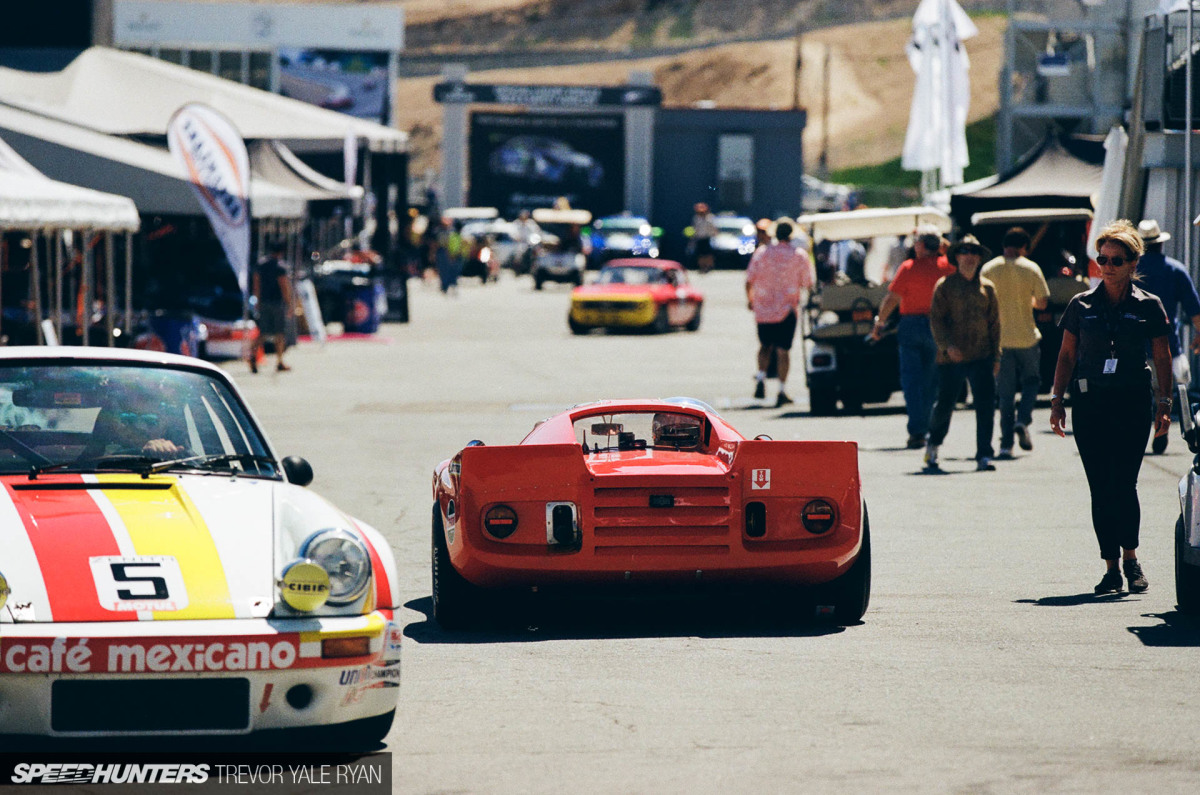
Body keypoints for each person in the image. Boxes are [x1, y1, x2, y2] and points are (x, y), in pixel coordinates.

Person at [1049, 219, 1172, 595]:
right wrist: (1057, 400)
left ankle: (1132, 559)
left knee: (1124, 483)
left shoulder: (1149, 306)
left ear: (1134, 264)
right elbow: (1067, 355)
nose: (1107, 265)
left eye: (1116, 260)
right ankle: (1110, 567)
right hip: (1091, 403)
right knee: (1100, 487)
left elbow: (1162, 357)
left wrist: (1164, 403)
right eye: (1102, 258)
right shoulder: (1081, 304)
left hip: (1132, 401)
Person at [870, 224, 955, 449]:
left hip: (911, 326)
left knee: (911, 380)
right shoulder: (947, 267)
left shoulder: (909, 268)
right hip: (938, 326)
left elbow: (891, 299)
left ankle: (917, 430)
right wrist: (942, 249)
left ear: (921, 246)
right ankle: (925, 427)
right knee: (931, 380)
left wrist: (880, 322)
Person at [924, 235, 1001, 472]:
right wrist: (946, 346)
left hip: (981, 355)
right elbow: (936, 321)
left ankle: (984, 454)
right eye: (964, 252)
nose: (969, 257)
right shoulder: (945, 286)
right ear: (956, 257)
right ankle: (933, 444)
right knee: (946, 403)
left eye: (973, 253)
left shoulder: (987, 287)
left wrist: (997, 356)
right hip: (952, 357)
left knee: (986, 405)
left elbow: (995, 324)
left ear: (979, 258)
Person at [980, 227, 1050, 459]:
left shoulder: (989, 269)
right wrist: (1026, 300)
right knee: (1032, 381)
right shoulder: (1031, 268)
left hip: (999, 340)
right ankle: (1023, 420)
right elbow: (1042, 302)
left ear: (1004, 245)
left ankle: (1006, 444)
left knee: (1005, 394)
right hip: (1027, 337)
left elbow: (982, 304)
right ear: (1024, 247)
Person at [1135, 218, 1200, 453]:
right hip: (1168, 343)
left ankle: (1143, 431)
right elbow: (1194, 308)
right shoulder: (1175, 269)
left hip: (1136, 346)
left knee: (1141, 394)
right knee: (1168, 393)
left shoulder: (1131, 270)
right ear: (1161, 244)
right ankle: (1163, 430)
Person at [746, 220, 814, 407]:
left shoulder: (761, 252)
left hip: (764, 308)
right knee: (783, 351)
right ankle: (782, 390)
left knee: (764, 345)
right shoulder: (799, 255)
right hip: (786, 309)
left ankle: (760, 377)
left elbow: (749, 279)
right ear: (791, 235)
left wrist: (750, 300)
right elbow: (808, 282)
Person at [249, 242, 294, 373]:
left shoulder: (261, 264)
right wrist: (289, 303)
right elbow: (284, 285)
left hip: (263, 302)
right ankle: (280, 361)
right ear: (281, 252)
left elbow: (256, 282)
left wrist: (257, 299)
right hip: (277, 302)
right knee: (280, 333)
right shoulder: (280, 266)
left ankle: (252, 356)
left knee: (262, 332)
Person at [690, 202, 718, 274]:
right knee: (700, 254)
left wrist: (715, 234)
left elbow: (714, 228)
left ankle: (708, 266)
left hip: (708, 238)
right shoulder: (696, 218)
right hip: (699, 238)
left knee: (708, 254)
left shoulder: (710, 218)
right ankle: (702, 267)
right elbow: (695, 229)